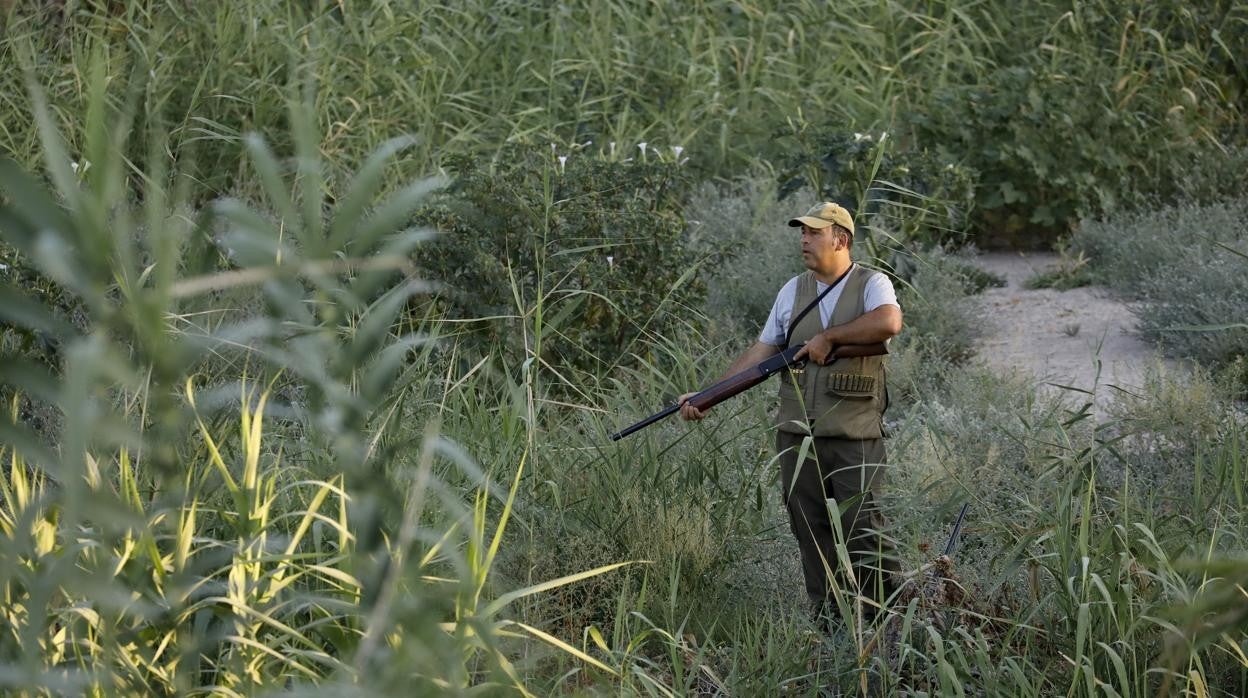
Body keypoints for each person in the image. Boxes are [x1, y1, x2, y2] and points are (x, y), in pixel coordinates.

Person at [678, 202, 902, 624]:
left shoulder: (873, 284)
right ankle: (830, 628)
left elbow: (889, 324)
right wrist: (708, 395)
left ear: (841, 239)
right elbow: (761, 352)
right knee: (810, 536)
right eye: (802, 232)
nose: (804, 238)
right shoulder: (791, 290)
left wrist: (829, 338)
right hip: (797, 436)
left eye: (814, 232)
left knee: (865, 534)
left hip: (855, 436)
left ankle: (889, 629)